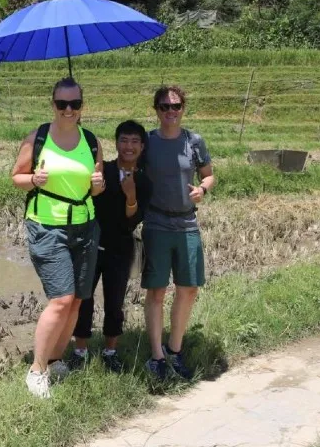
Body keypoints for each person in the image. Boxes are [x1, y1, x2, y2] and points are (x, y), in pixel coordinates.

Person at [11, 77, 105, 399]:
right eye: (62, 103)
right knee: (61, 299)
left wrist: (98, 185)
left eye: (75, 104)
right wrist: (33, 180)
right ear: (52, 104)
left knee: (78, 298)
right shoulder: (37, 138)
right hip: (47, 227)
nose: (68, 110)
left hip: (86, 226)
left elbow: (95, 186)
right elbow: (16, 177)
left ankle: (54, 359)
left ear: (82, 106)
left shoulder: (91, 141)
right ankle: (36, 370)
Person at [141, 85, 215, 380]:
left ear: (184, 108)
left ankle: (175, 350)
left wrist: (202, 189)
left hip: (187, 223)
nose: (170, 112)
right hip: (157, 223)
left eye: (175, 106)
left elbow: (208, 174)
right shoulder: (147, 142)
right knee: (156, 290)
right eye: (164, 107)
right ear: (156, 110)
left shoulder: (194, 141)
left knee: (189, 288)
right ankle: (156, 356)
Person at [69, 120, 150, 373]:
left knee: (115, 302)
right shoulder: (103, 170)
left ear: (142, 146)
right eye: (124, 141)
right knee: (83, 299)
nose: (129, 146)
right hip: (91, 244)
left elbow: (133, 220)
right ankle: (80, 351)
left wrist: (131, 195)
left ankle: (110, 351)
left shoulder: (145, 180)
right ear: (116, 144)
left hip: (121, 248)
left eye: (135, 141)